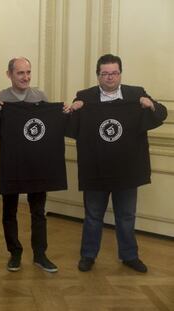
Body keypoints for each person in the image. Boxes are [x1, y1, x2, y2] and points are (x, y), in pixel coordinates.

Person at [70, 54, 167, 273]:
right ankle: (88, 255)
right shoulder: (85, 97)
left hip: (127, 170)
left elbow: (161, 114)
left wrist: (150, 104)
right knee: (93, 216)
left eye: (114, 73)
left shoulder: (136, 94)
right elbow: (67, 123)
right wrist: (73, 109)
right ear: (98, 76)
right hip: (96, 170)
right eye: (105, 73)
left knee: (126, 216)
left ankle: (130, 256)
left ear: (120, 73)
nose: (110, 77)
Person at [0, 57, 60, 273]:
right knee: (9, 211)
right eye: (20, 73)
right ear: (9, 74)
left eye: (28, 72)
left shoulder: (39, 96)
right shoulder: (1, 98)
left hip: (37, 163)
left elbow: (48, 125)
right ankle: (14, 253)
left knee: (38, 211)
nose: (26, 77)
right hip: (12, 162)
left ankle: (40, 254)